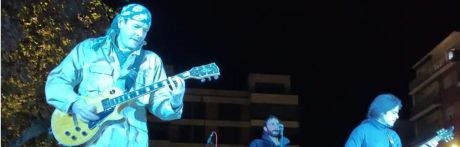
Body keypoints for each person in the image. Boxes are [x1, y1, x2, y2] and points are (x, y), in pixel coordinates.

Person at [45, 3, 186, 146]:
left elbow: (161, 108)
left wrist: (175, 101)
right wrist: (74, 103)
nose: (140, 34)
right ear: (121, 22)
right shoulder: (89, 49)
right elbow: (57, 80)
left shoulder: (151, 61)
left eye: (145, 30)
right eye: (136, 26)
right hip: (90, 141)